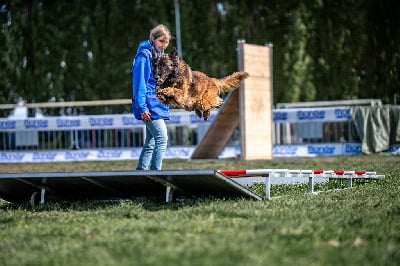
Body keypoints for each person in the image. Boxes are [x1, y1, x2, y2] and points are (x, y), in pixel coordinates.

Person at [131, 24, 171, 170]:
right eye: (161, 41)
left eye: (166, 42)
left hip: (157, 104)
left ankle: (140, 173)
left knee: (151, 142)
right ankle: (156, 175)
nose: (164, 45)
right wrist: (142, 107)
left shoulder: (159, 55)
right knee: (162, 138)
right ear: (152, 39)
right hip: (148, 105)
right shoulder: (144, 57)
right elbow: (139, 83)